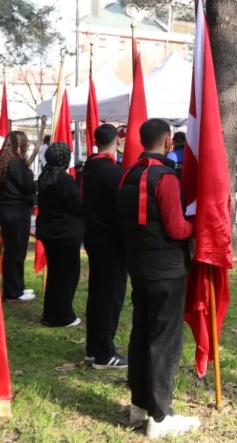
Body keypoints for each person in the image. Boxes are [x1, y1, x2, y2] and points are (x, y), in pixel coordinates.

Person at [117, 119, 200, 437]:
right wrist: (198, 226)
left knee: (141, 336)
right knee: (164, 342)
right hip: (166, 270)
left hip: (138, 268)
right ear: (167, 141)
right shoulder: (164, 177)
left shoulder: (128, 174)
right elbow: (177, 228)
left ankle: (139, 405)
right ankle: (160, 416)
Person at [79, 124, 129, 370]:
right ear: (116, 141)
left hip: (94, 237)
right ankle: (104, 353)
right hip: (111, 241)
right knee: (109, 297)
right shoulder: (111, 172)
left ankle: (94, 347)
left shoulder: (88, 168)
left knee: (98, 295)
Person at [35, 142, 84, 328]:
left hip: (49, 233)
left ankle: (51, 313)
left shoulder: (44, 175)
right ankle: (63, 316)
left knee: (56, 275)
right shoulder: (63, 179)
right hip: (65, 234)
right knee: (67, 277)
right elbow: (77, 205)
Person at [0, 131, 36, 302]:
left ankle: (17, 287)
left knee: (13, 250)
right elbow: (26, 185)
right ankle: (14, 290)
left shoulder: (4, 160)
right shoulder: (15, 162)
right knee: (16, 251)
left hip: (9, 209)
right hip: (16, 210)